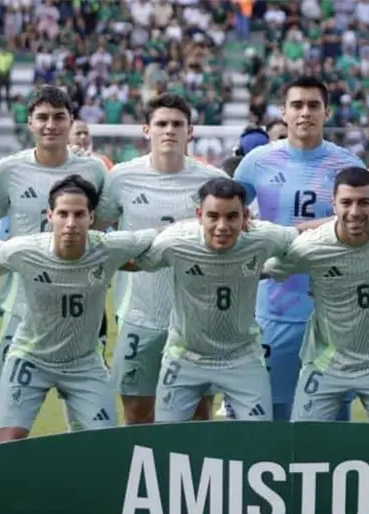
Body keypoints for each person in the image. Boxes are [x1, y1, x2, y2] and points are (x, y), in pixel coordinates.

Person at [0, 175, 157, 441]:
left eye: (79, 214)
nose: (71, 223)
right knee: (7, 445)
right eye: (63, 213)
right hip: (31, 358)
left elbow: (157, 237)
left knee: (108, 445)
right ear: (50, 215)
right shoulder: (23, 250)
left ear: (91, 218)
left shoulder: (110, 247)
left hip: (83, 363)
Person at [233, 76, 366, 422]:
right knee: (273, 415)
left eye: (313, 105)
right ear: (284, 112)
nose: (305, 112)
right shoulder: (257, 162)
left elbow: (365, 224)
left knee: (331, 421)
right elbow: (228, 220)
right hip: (272, 309)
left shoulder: (347, 166)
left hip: (331, 314)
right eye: (297, 105)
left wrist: (293, 232)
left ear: (327, 112)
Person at [131, 178, 319, 421]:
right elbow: (132, 260)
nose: (222, 226)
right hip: (185, 357)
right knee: (167, 442)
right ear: (199, 215)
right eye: (213, 216)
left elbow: (304, 234)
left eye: (232, 217)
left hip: (242, 358)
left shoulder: (264, 236)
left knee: (259, 440)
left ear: (246, 216)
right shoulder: (175, 241)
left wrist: (347, 220)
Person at [92, 93, 228, 425]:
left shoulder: (214, 181)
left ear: (190, 131)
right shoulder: (121, 177)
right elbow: (96, 229)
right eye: (162, 123)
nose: (169, 130)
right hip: (139, 314)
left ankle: (195, 477)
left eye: (177, 124)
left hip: (196, 318)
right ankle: (138, 475)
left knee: (197, 412)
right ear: (146, 130)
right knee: (138, 411)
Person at [263, 167, 369, 424]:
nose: (355, 212)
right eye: (346, 202)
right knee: (301, 444)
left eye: (364, 202)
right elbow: (261, 270)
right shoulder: (311, 246)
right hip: (326, 363)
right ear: (333, 204)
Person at [0, 85, 108, 398]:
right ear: (30, 123)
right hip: (23, 302)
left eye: (58, 117)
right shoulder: (8, 169)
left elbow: (105, 224)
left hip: (80, 300)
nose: (50, 125)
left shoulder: (93, 169)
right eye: (42, 117)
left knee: (81, 399)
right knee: (9, 397)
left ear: (70, 122)